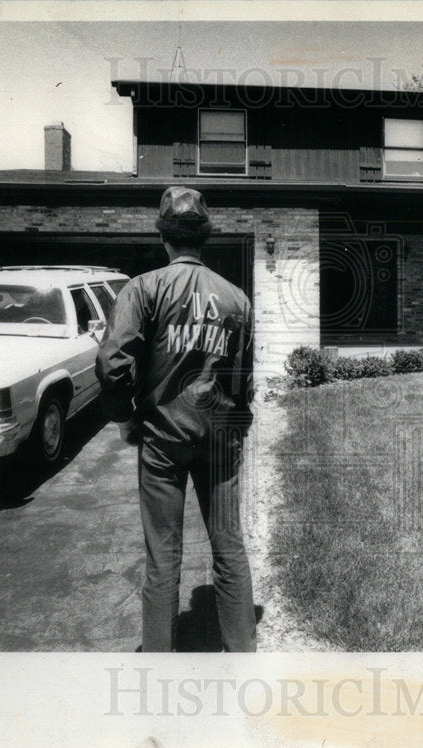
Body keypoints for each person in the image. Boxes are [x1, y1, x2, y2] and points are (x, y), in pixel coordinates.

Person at [95, 186, 256, 652]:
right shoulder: (236, 298)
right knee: (229, 546)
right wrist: (235, 429)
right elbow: (242, 378)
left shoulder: (144, 288)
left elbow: (113, 364)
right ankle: (243, 655)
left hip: (163, 438)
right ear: (203, 238)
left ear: (164, 237)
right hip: (219, 438)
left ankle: (160, 663)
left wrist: (125, 419)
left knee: (163, 557)